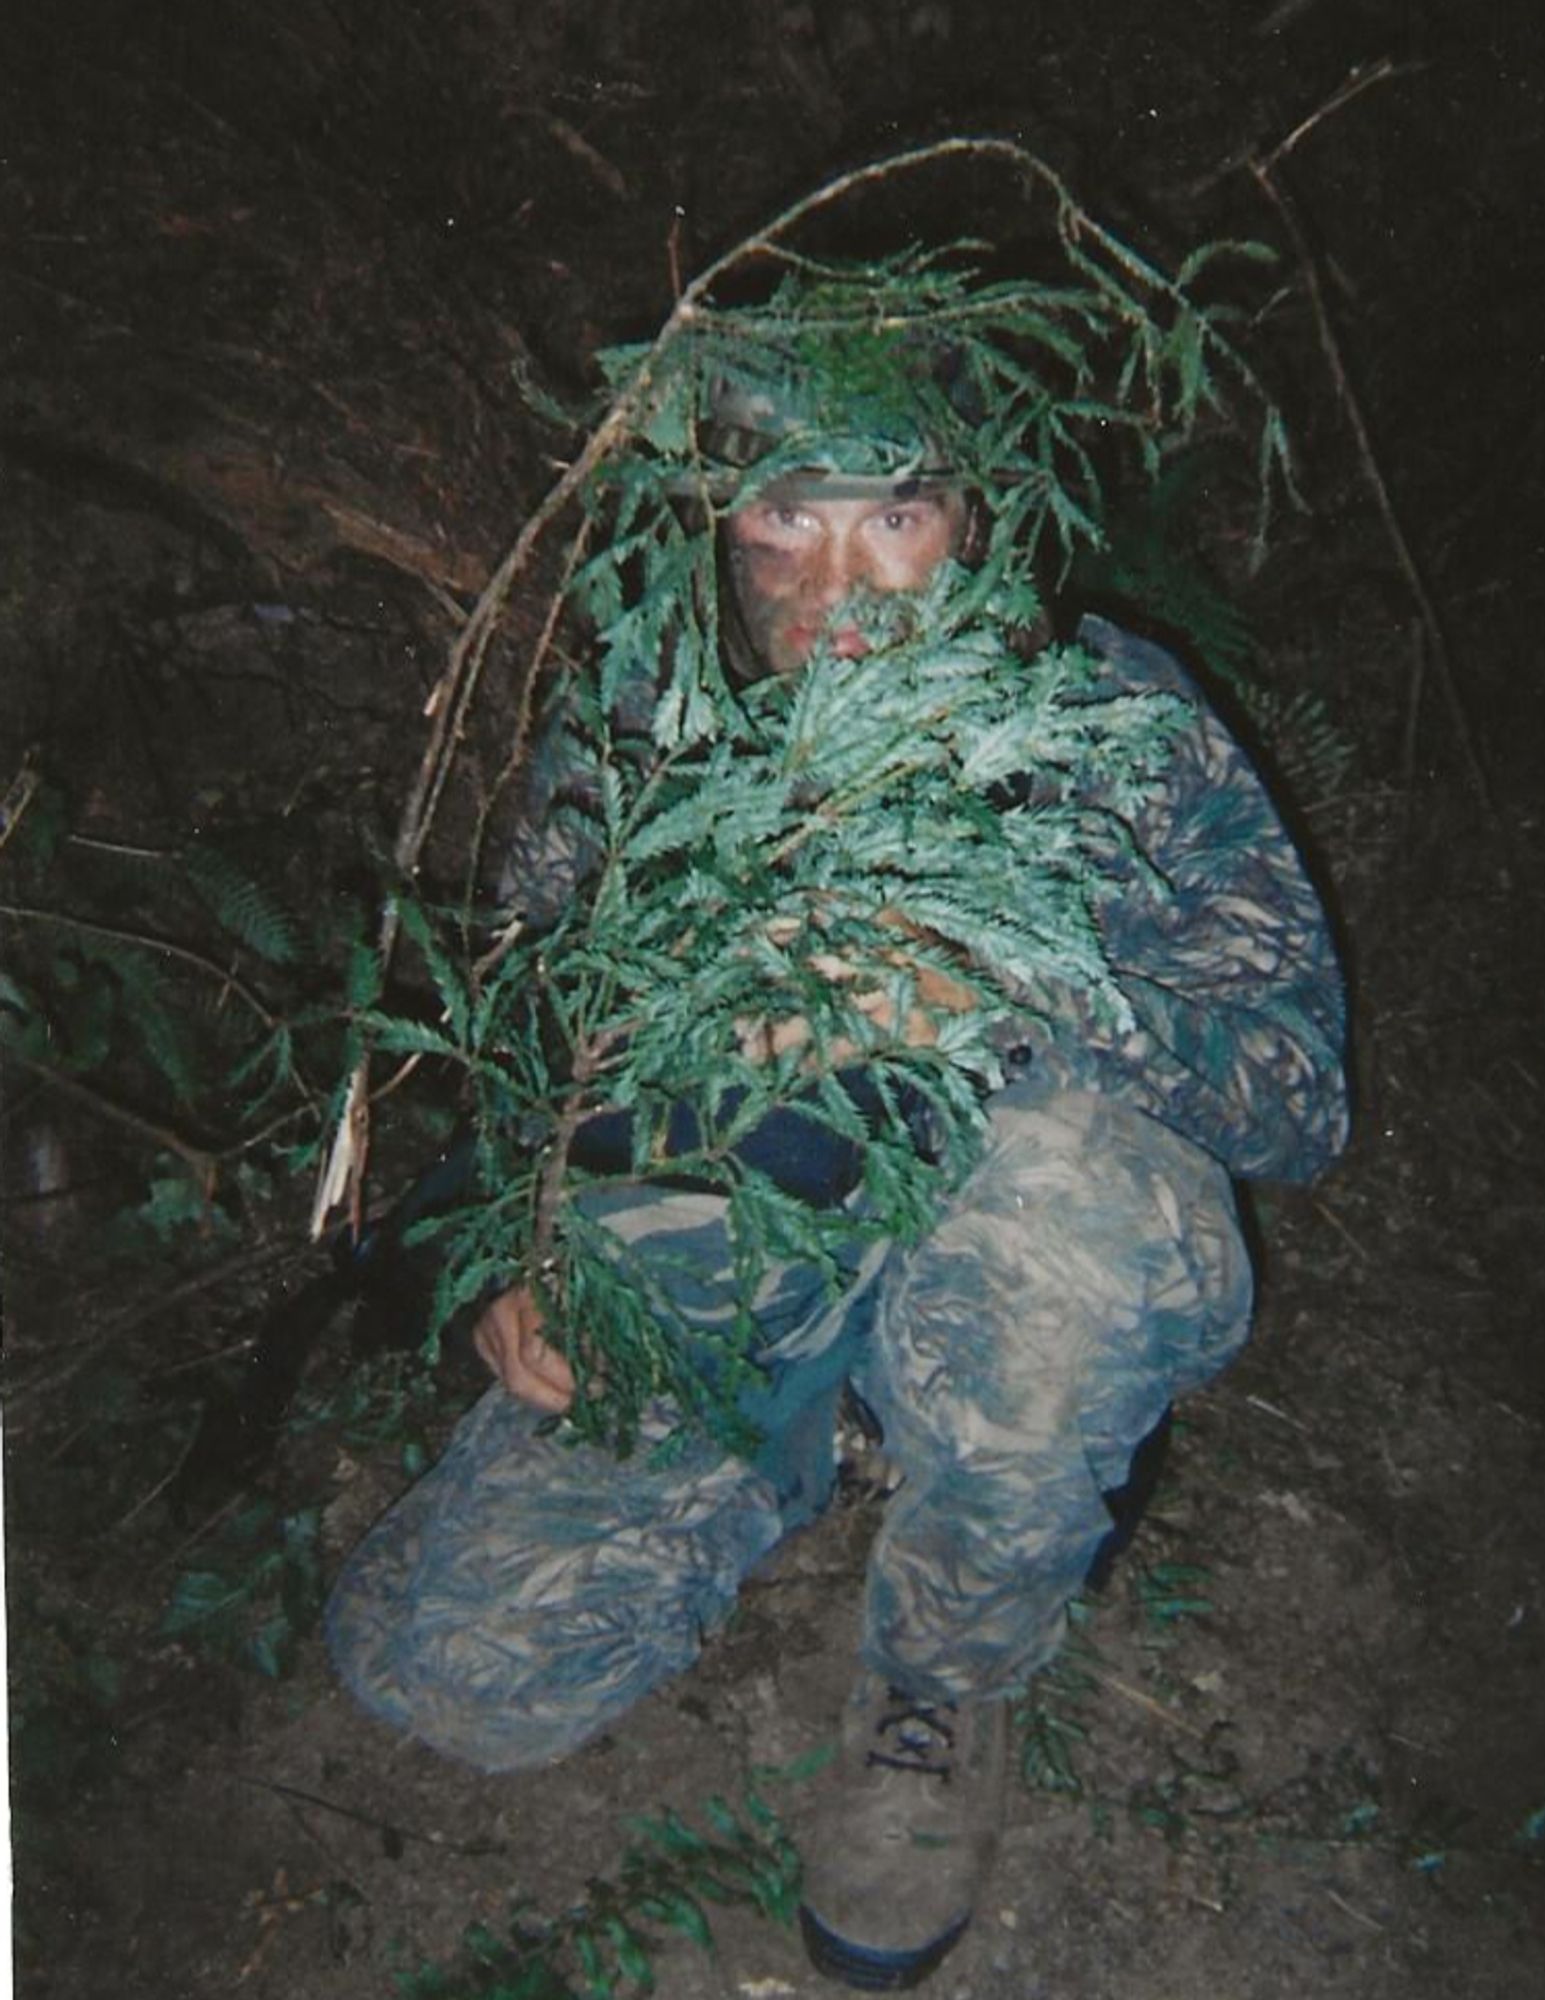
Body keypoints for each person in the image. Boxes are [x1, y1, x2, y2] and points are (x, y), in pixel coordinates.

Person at [326, 343, 1348, 1991]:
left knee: (1080, 1218)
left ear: (974, 517)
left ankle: (940, 1676)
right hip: (727, 1256)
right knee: (442, 1675)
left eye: (895, 518)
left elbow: (1299, 1099)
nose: (835, 582)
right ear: (725, 527)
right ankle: (784, 1448)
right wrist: (493, 1272)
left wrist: (1026, 993)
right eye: (785, 521)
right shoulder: (645, 715)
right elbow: (515, 1039)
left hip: (1006, 1250)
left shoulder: (1109, 721)